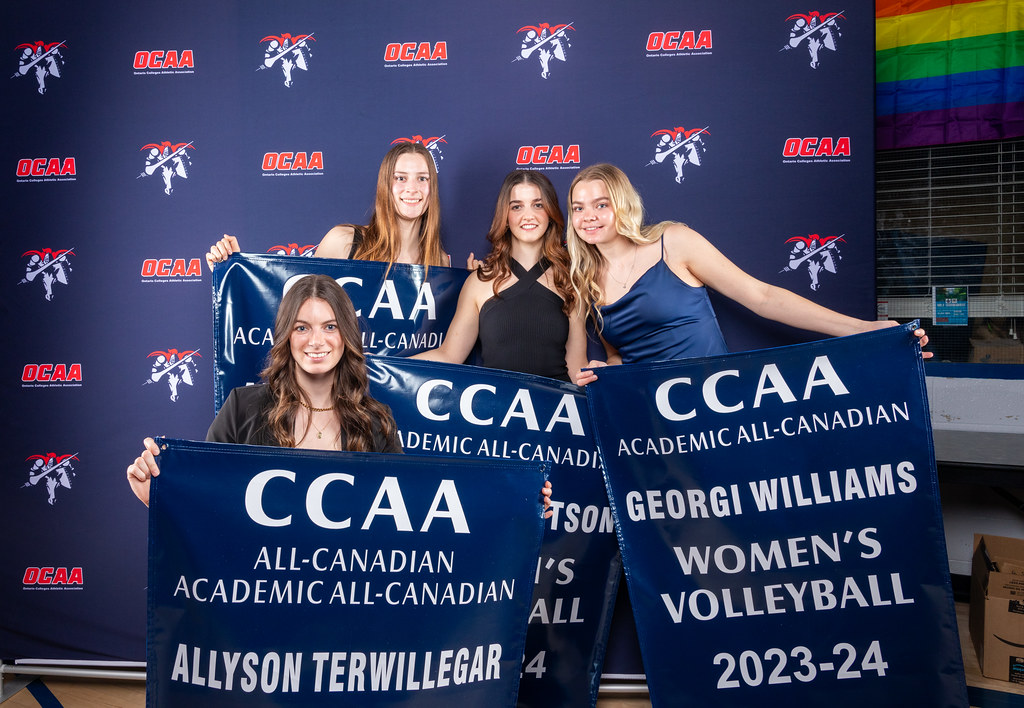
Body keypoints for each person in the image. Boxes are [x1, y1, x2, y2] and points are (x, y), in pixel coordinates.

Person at [126, 274, 552, 510]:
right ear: (286, 336)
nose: (317, 340)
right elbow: (207, 502)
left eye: (330, 327)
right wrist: (159, 495)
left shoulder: (376, 420)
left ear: (346, 336)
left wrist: (515, 503)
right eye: (302, 327)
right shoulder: (242, 407)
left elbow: (418, 513)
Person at [565, 163, 930, 385]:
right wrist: (608, 371)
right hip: (647, 410)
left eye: (601, 204)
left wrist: (864, 329)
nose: (589, 216)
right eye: (578, 208)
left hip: (712, 397)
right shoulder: (584, 279)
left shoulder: (673, 242)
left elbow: (762, 297)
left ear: (622, 204)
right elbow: (618, 354)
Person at [411, 170, 587, 382]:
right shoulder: (479, 281)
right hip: (496, 410)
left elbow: (578, 370)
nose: (528, 215)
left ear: (550, 212)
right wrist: (382, 367)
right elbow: (449, 355)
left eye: (538, 205)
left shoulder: (570, 282)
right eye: (517, 206)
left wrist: (598, 374)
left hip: (556, 411)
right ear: (505, 216)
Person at [205, 142, 449, 270]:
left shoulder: (439, 262)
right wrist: (235, 269)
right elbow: (293, 307)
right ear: (385, 186)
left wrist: (476, 278)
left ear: (432, 187)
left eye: (422, 178)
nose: (412, 188)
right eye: (400, 178)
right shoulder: (344, 242)